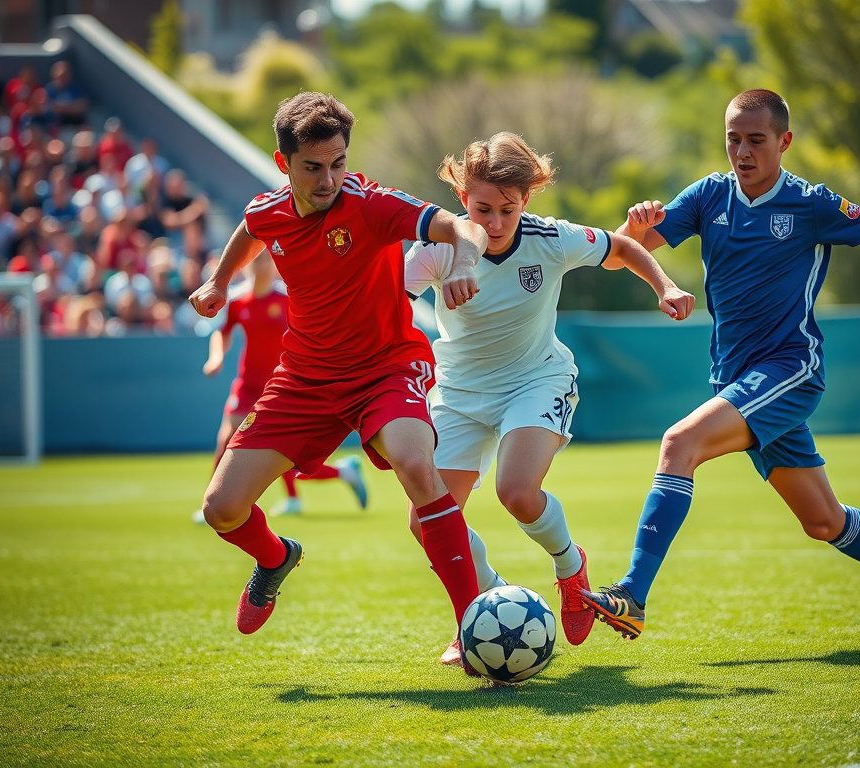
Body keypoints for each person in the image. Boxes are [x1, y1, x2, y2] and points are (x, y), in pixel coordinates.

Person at [581, 89, 860, 644]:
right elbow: (626, 251)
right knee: (823, 522)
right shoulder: (708, 196)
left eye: (755, 140)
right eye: (733, 139)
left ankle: (632, 595)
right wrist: (633, 225)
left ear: (784, 143)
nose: (741, 151)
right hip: (738, 380)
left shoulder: (810, 204)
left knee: (679, 444)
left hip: (789, 368)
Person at [188, 92, 488, 665]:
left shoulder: (371, 203)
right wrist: (219, 282)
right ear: (285, 165)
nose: (329, 180)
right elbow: (251, 230)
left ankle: (470, 625)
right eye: (312, 167)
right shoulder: (268, 209)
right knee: (223, 509)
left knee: (415, 462)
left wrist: (467, 262)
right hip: (302, 380)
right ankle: (276, 558)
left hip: (385, 366)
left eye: (338, 163)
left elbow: (457, 225)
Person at [404, 132, 695, 663]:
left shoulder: (551, 238)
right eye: (481, 208)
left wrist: (665, 287)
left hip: (535, 380)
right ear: (461, 198)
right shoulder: (433, 253)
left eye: (507, 210)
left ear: (527, 202)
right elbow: (388, 310)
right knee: (427, 521)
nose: (493, 223)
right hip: (459, 392)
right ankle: (483, 610)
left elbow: (622, 247)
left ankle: (569, 567)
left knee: (515, 491)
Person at [190, 249, 368, 523]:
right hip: (248, 386)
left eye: (265, 260)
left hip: (281, 387)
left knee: (282, 452)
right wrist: (216, 358)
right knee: (227, 438)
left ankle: (338, 476)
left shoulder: (286, 299)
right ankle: (211, 503)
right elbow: (222, 332)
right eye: (256, 260)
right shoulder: (238, 300)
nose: (260, 266)